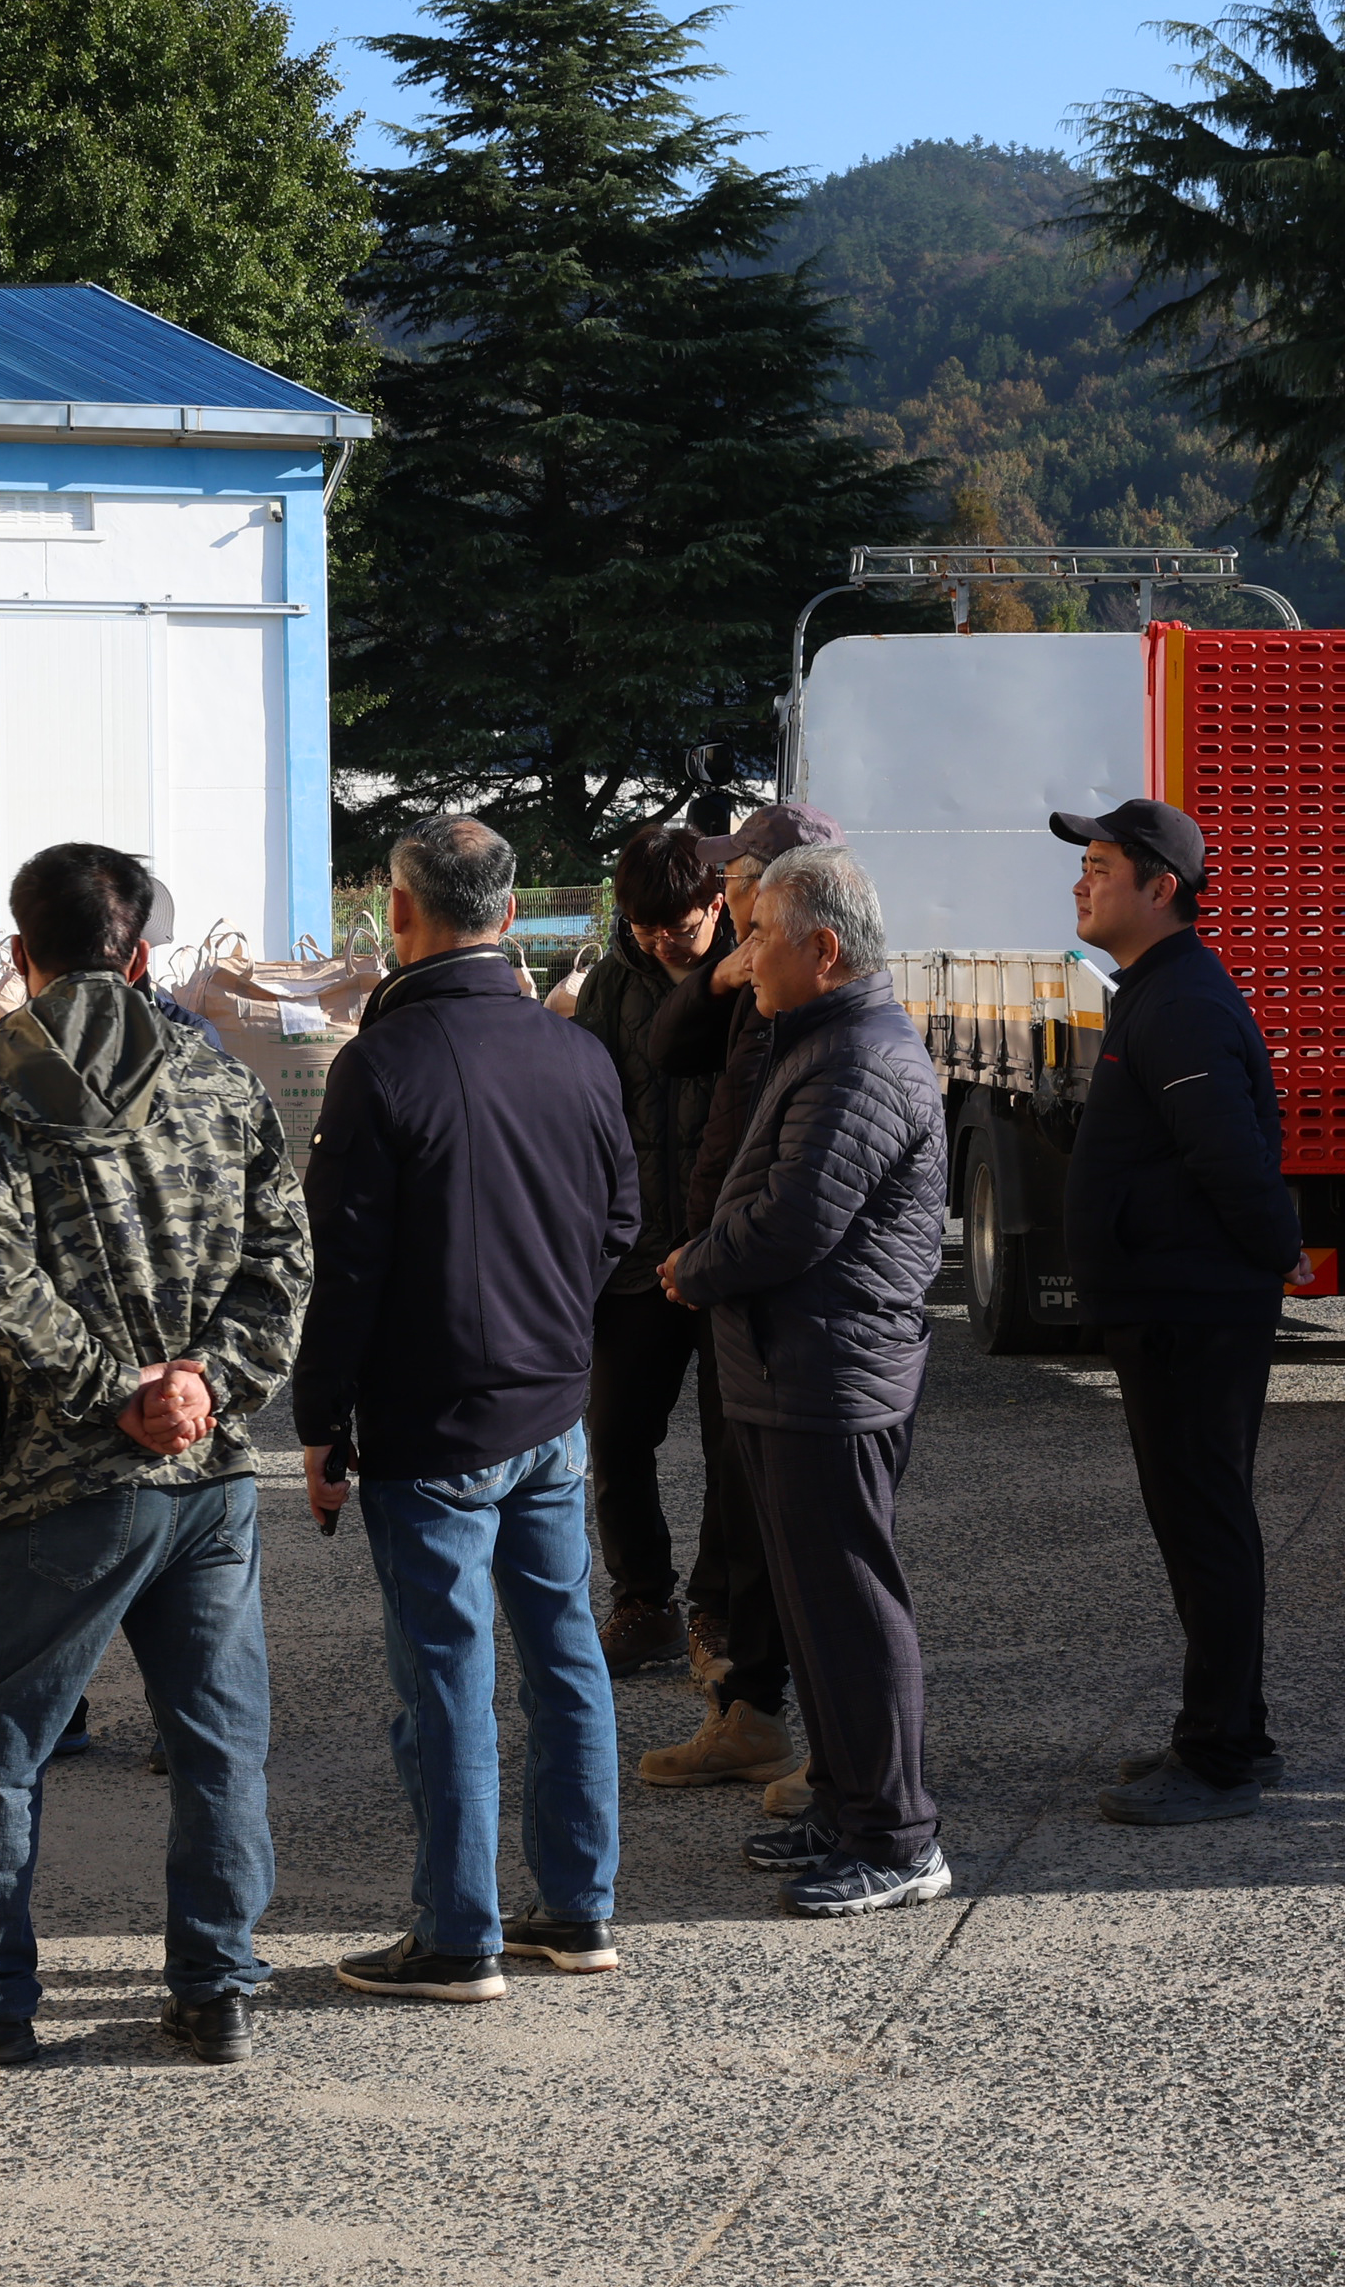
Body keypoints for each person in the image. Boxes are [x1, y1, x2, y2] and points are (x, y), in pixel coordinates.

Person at [0, 841, 313, 2069]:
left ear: (20, 952)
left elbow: (1, 1288)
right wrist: (209, 1382)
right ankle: (217, 1986)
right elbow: (286, 1252)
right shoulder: (220, 1075)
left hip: (65, 1479)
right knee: (218, 1740)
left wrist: (124, 1398)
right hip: (209, 1477)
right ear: (142, 951)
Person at [297, 818, 640, 1999]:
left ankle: (458, 1933)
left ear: (399, 912)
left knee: (447, 1673)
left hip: (431, 1420)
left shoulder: (381, 1065)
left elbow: (345, 1270)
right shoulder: (577, 1053)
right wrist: (549, 1320)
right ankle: (580, 1909)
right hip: (550, 1407)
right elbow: (619, 1222)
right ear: (508, 914)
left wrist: (318, 1419)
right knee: (565, 1655)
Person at [661, 842, 952, 1919]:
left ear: (823, 950)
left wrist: (697, 1265)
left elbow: (795, 1219)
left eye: (760, 937)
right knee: (813, 1603)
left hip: (831, 1373)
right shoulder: (818, 1036)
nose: (744, 956)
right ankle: (844, 1799)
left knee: (849, 1605)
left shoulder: (861, 1057)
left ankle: (897, 1833)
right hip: (794, 1366)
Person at [1052, 799, 1309, 1829]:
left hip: (1194, 1310)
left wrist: (1271, 1256)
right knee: (1200, 1521)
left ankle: (1218, 1759)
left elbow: (1231, 1157)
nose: (1082, 881)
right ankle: (1230, 1729)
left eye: (1103, 865)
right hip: (1175, 1301)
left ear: (1162, 888)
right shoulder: (1153, 992)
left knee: (1206, 1525)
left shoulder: (1183, 1003)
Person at [629, 804, 844, 1806]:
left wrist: (712, 1259)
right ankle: (749, 1709)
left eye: (740, 879)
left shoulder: (821, 1006)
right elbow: (670, 1051)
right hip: (724, 1285)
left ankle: (813, 1742)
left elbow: (797, 1191)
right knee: (734, 1502)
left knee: (786, 1529)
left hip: (771, 1300)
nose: (722, 900)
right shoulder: (755, 986)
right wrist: (717, 975)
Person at [559, 825, 734, 1678]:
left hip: (727, 1252)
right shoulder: (612, 986)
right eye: (642, 924)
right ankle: (644, 1601)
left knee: (732, 1442)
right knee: (618, 1430)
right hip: (633, 1252)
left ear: (717, 901)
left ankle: (717, 1610)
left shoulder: (749, 973)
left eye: (679, 923)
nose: (661, 938)